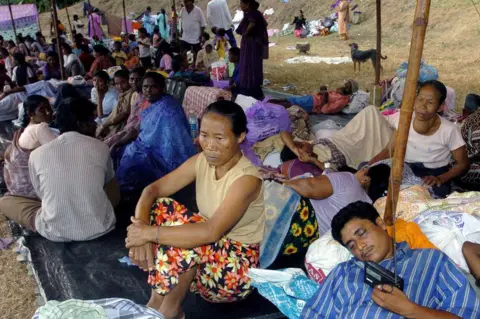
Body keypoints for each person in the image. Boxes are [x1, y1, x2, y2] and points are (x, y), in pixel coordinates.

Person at [125, 100, 265, 318]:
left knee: (188, 231)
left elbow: (211, 232)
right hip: (206, 262)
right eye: (204, 135)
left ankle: (169, 309)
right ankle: (156, 301)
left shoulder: (246, 179)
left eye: (219, 138)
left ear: (240, 137)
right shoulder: (201, 161)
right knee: (164, 208)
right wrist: (141, 232)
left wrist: (149, 234)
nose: (209, 145)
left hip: (233, 274)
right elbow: (152, 191)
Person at [302, 201, 480, 318]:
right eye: (351, 245)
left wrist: (410, 310)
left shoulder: (431, 261)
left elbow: (467, 314)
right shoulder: (343, 273)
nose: (360, 247)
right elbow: (313, 315)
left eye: (361, 233)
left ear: (380, 224)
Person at [0, 97, 119, 242]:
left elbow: (41, 194)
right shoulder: (101, 147)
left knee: (5, 202)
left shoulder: (37, 155)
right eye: (92, 121)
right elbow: (110, 188)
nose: (95, 125)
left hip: (55, 232)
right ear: (81, 124)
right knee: (109, 184)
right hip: (102, 226)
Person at [369, 80, 470, 198]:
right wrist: (368, 166)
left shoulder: (449, 130)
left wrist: (440, 178)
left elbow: (463, 164)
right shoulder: (405, 120)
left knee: (434, 192)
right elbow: (388, 151)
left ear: (440, 107)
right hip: (405, 167)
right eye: (420, 99)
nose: (423, 105)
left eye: (430, 102)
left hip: (432, 173)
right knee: (371, 174)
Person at [111, 72, 196, 194]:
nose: (148, 91)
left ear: (162, 88)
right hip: (146, 146)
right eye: (145, 87)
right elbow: (139, 128)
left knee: (131, 162)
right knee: (122, 151)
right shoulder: (152, 104)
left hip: (165, 156)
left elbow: (171, 140)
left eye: (153, 87)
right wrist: (117, 143)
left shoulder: (168, 108)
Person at [0, 95, 55, 201]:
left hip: (20, 189)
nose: (48, 112)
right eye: (42, 110)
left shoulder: (22, 132)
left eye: (49, 108)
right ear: (31, 114)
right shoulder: (40, 128)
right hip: (35, 190)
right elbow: (60, 152)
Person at [103, 67, 146, 147]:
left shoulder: (144, 97)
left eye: (138, 79)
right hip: (127, 128)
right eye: (132, 79)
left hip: (134, 130)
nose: (134, 82)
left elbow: (134, 121)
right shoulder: (135, 95)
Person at [236, 0, 268, 99]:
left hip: (251, 44)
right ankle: (250, 85)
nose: (240, 6)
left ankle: (250, 87)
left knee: (250, 64)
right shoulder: (252, 13)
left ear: (248, 4)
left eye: (242, 3)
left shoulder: (253, 14)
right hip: (251, 44)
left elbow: (252, 24)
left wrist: (246, 34)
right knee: (250, 64)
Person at [270, 80, 359, 114]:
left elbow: (325, 110)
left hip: (314, 104)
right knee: (292, 99)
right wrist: (323, 92)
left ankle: (269, 106)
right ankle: (270, 102)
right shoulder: (341, 93)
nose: (344, 86)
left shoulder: (342, 101)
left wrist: (324, 95)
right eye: (345, 84)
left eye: (347, 86)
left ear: (350, 91)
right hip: (314, 99)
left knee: (292, 104)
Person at [97, 69, 134, 139]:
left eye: (123, 83)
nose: (119, 86)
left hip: (119, 126)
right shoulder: (122, 94)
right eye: (117, 84)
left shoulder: (130, 94)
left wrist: (104, 125)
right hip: (110, 124)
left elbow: (123, 114)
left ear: (129, 81)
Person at [180, 0, 207, 66]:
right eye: (184, 2)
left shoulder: (198, 10)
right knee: (184, 58)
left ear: (192, 1)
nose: (185, 3)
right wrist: (181, 31)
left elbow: (203, 25)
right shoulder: (182, 10)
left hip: (195, 40)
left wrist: (201, 35)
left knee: (197, 59)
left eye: (187, 1)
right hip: (185, 38)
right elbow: (182, 22)